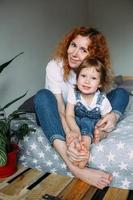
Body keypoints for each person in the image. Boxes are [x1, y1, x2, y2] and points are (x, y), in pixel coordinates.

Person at [34, 26, 129, 189]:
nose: (74, 53)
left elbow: (98, 105)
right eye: (73, 45)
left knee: (121, 92)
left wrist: (111, 116)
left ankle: (108, 124)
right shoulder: (54, 66)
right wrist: (71, 134)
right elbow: (62, 109)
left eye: (83, 50)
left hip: (83, 115)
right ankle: (75, 169)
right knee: (42, 96)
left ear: (93, 55)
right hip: (57, 113)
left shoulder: (94, 71)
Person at [66, 57, 112, 169]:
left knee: (92, 123)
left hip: (91, 125)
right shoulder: (73, 93)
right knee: (74, 123)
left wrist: (102, 131)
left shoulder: (102, 100)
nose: (87, 81)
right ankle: (76, 145)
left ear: (100, 83)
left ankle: (84, 147)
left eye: (93, 78)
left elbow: (106, 120)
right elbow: (69, 115)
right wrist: (75, 129)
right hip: (76, 123)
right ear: (77, 79)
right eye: (83, 76)